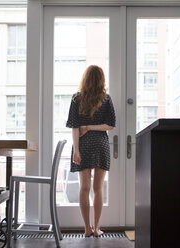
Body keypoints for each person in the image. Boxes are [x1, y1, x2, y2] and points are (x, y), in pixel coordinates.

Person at [66, 65, 116, 237]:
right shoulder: (106, 99)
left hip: (84, 145)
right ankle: (97, 228)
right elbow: (110, 125)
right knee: (98, 188)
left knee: (84, 188)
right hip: (101, 144)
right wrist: (92, 127)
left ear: (85, 78)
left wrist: (76, 150)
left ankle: (87, 228)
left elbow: (74, 127)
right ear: (101, 79)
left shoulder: (76, 99)